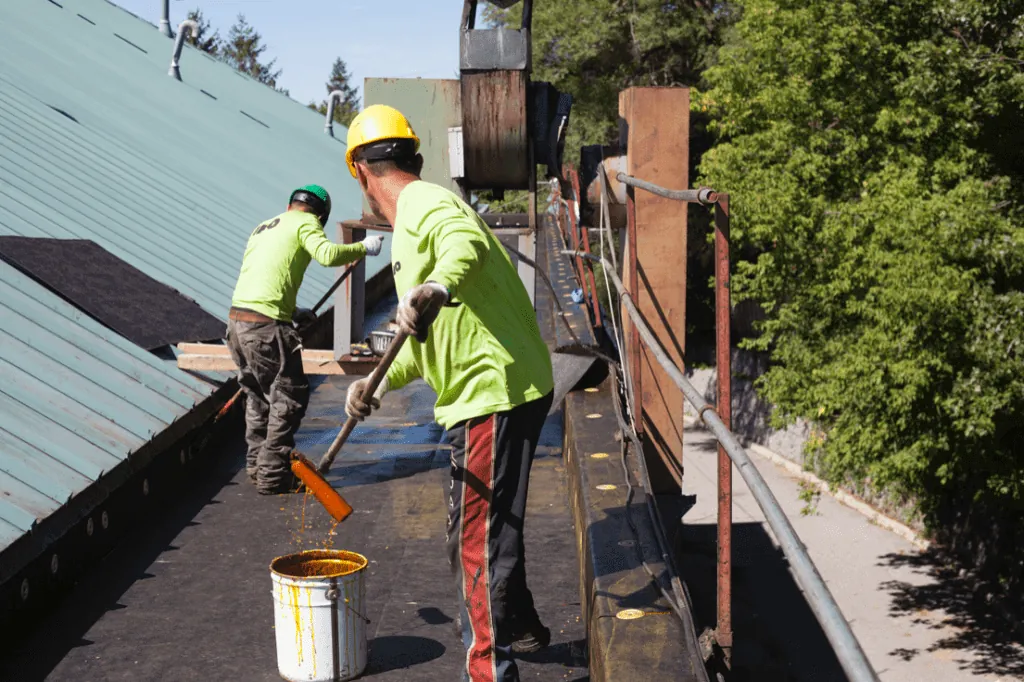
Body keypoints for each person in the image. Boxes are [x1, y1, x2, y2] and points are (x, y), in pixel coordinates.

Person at [342, 105, 555, 682]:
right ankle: (517, 624)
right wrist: (375, 384)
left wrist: (435, 285)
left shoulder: (424, 204)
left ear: (361, 171)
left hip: (492, 390)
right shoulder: (414, 225)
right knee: (489, 521)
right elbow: (419, 340)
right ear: (409, 153)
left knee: (474, 536)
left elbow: (465, 246)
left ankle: (489, 671)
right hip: (501, 385)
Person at [227, 184, 384, 495]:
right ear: (321, 216)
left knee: (258, 397)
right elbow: (326, 255)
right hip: (265, 328)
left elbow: (264, 278)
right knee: (289, 396)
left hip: (238, 322)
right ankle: (273, 476)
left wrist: (292, 311)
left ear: (291, 204)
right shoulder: (306, 223)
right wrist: (362, 248)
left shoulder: (264, 227)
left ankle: (258, 466)